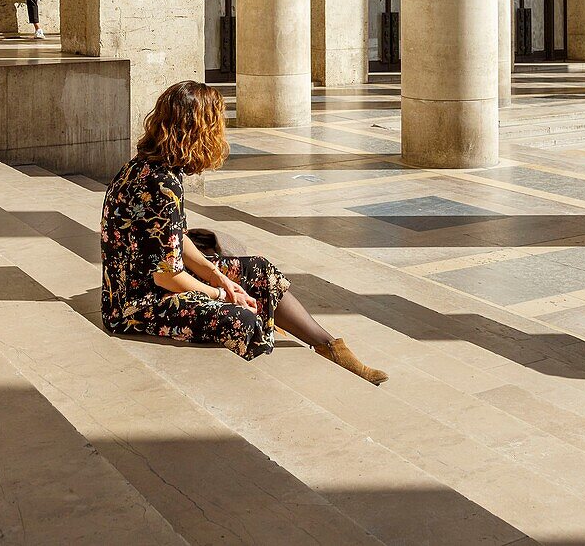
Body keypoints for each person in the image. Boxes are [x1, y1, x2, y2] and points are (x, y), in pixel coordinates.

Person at [100, 81, 388, 384]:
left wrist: (219, 276)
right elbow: (165, 276)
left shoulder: (148, 167)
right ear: (196, 129)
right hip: (137, 304)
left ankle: (329, 346)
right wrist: (223, 294)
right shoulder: (161, 184)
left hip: (151, 282)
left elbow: (175, 238)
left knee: (259, 270)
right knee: (243, 321)